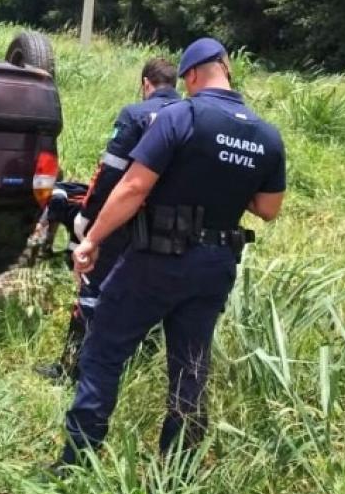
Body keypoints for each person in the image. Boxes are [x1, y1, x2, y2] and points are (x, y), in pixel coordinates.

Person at [54, 37, 286, 468]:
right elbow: (268, 208)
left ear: (192, 75)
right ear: (226, 68)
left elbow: (133, 187)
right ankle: (177, 473)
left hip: (157, 259)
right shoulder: (265, 135)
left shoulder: (182, 116)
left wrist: (92, 240)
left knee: (103, 348)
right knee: (191, 367)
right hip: (216, 265)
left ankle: (77, 461)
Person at [35, 57, 181, 383]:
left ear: (146, 84)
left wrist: (88, 218)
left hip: (124, 218)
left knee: (92, 289)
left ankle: (72, 369)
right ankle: (137, 367)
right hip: (171, 226)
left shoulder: (137, 115)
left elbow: (109, 173)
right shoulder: (190, 117)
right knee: (151, 295)